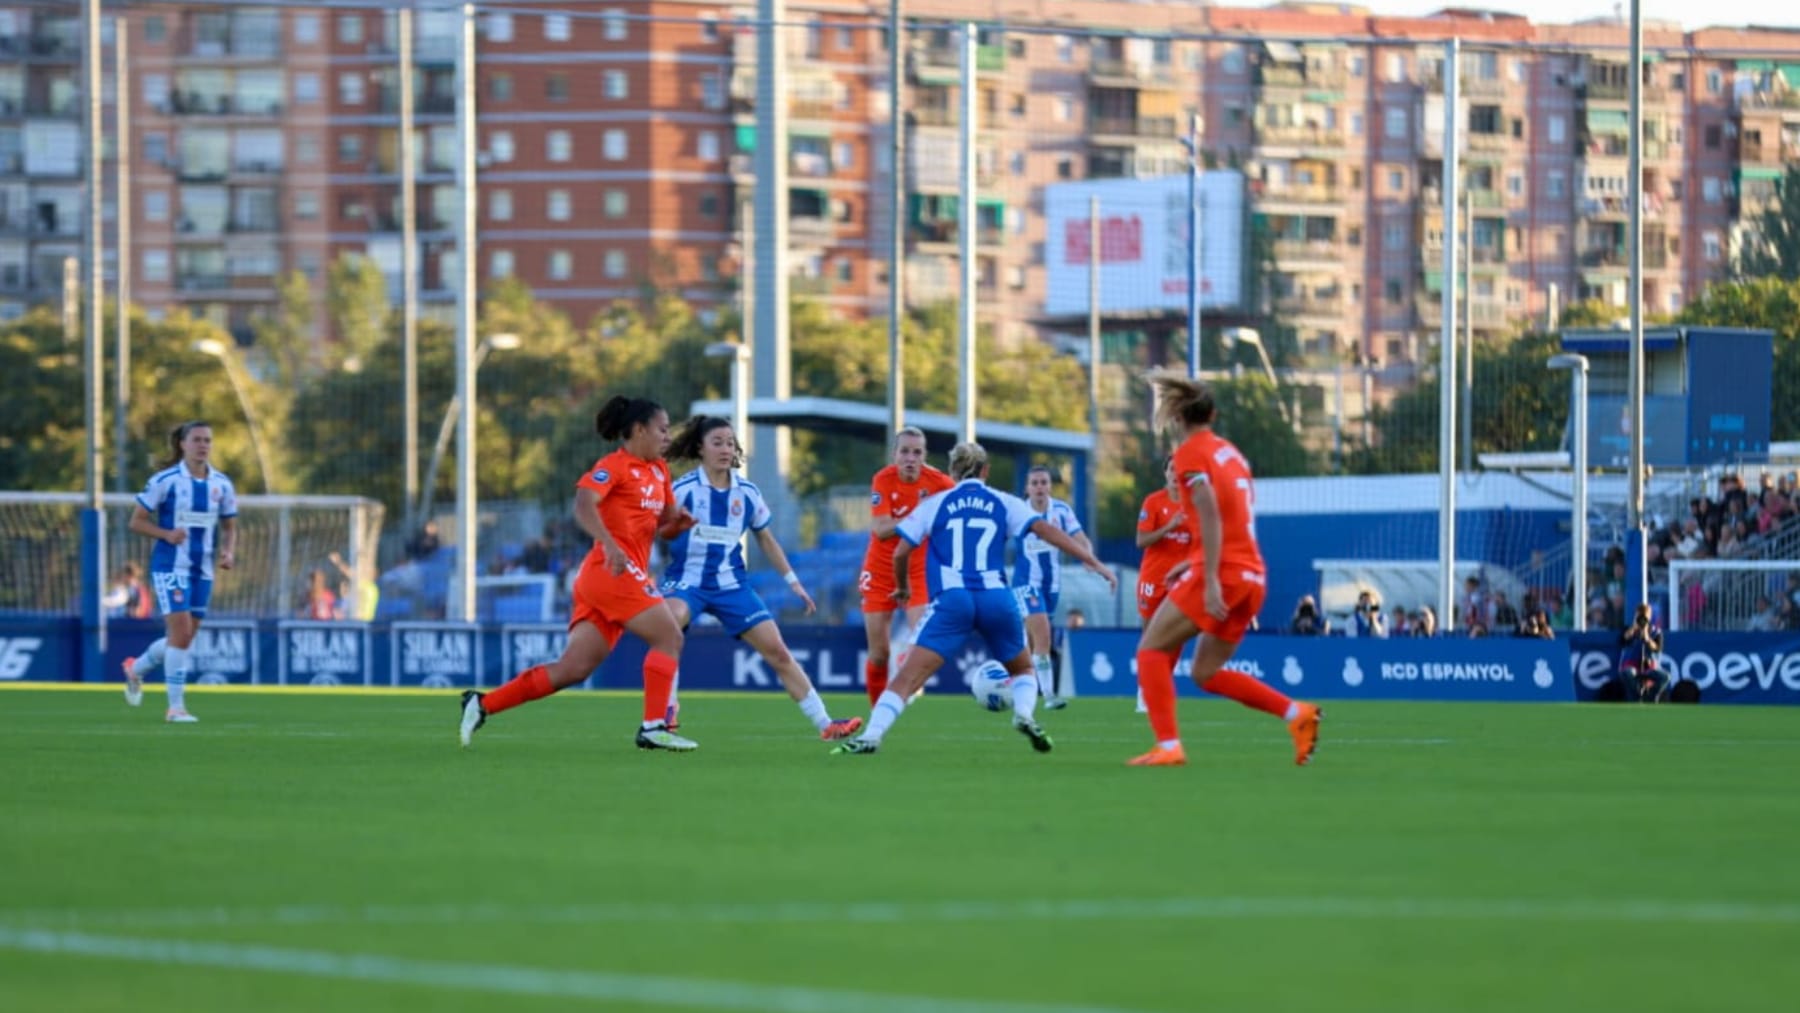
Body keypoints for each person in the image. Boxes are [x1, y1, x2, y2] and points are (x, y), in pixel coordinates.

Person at [833, 442, 1117, 755]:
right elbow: (1046, 531)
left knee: (906, 678)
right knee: (1023, 669)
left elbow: (901, 551)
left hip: (953, 600)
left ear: (953, 472)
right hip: (996, 597)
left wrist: (902, 587)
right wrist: (1093, 561)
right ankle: (1024, 714)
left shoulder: (935, 503)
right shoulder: (1004, 501)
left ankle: (871, 736)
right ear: (985, 470)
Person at [459, 395, 699, 751]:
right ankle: (653, 727)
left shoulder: (659, 471)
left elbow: (662, 522)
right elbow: (584, 504)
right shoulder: (614, 465)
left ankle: (481, 704)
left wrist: (677, 524)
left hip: (612, 577)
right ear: (638, 429)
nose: (667, 437)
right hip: (611, 570)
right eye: (662, 429)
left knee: (574, 668)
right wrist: (610, 543)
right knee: (669, 637)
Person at [1130, 371, 1321, 768]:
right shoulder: (1232, 454)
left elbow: (1210, 513)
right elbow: (1234, 517)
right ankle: (1296, 714)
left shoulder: (1189, 455)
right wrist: (1190, 562)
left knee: (1150, 650)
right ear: (1213, 414)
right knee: (1207, 672)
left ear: (1178, 418)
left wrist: (1209, 576)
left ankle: (1168, 746)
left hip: (1223, 575)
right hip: (1252, 575)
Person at [657, 415, 862, 741]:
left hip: (732, 585)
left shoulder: (747, 493)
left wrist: (793, 581)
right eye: (717, 443)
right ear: (701, 448)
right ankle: (665, 712)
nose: (725, 449)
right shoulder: (682, 490)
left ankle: (826, 724)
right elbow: (655, 527)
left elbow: (766, 539)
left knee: (778, 651)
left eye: (729, 443)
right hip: (687, 581)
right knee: (669, 626)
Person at [121, 420, 239, 723]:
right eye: (197, 440)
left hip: (203, 569)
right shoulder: (166, 480)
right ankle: (175, 708)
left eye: (208, 440)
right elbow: (136, 521)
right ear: (183, 444)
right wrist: (165, 534)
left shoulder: (222, 484)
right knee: (181, 634)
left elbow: (229, 525)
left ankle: (136, 669)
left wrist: (228, 550)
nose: (203, 445)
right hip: (170, 566)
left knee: (183, 639)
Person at [858, 426, 955, 705]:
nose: (910, 458)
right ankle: (878, 710)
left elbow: (959, 507)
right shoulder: (883, 479)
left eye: (917, 452)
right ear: (895, 455)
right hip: (880, 570)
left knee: (923, 637)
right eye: (905, 452)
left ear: (924, 455)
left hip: (917, 570)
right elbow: (881, 528)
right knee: (878, 653)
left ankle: (905, 671)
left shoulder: (940, 483)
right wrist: (921, 517)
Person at [1011, 465, 1091, 710]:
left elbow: (1080, 538)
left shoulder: (1062, 511)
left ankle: (1018, 685)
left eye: (1043, 482)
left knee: (1033, 642)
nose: (1039, 487)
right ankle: (1048, 695)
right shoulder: (1017, 511)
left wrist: (1089, 557)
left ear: (1050, 486)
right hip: (1026, 583)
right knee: (1043, 633)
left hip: (1052, 586)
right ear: (1027, 488)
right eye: (1034, 483)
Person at [1618, 601, 1667, 702]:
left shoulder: (1656, 632)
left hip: (1649, 667)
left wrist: (1647, 637)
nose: (1642, 620)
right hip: (1631, 665)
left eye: (1644, 617)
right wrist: (1634, 628)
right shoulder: (1628, 629)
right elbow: (1623, 641)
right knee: (1628, 673)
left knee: (1665, 677)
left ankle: (1651, 697)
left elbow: (1658, 648)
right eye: (1639, 616)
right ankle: (1637, 698)